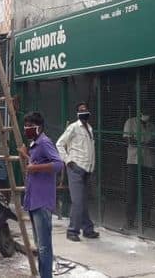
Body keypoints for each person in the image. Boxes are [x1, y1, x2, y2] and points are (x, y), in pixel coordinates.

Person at [19, 112, 63, 278]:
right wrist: (26, 156)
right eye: (26, 125)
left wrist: (35, 168)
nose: (27, 129)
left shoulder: (44, 142)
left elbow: (59, 164)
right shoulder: (35, 144)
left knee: (44, 245)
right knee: (40, 244)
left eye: (31, 125)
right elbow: (35, 163)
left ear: (39, 126)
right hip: (33, 199)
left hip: (42, 200)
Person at [56, 102, 99, 242]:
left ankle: (87, 229)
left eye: (86, 109)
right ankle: (72, 230)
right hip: (76, 168)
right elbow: (60, 144)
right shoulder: (73, 128)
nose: (84, 112)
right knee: (78, 201)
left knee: (83, 200)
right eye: (81, 110)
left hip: (87, 169)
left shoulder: (90, 128)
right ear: (77, 113)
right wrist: (68, 161)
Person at [122, 109, 155, 230]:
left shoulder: (151, 126)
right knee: (132, 192)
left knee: (147, 193)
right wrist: (143, 144)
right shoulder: (130, 122)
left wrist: (148, 144)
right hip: (134, 161)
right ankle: (129, 222)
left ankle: (146, 221)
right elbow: (127, 139)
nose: (147, 116)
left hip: (148, 162)